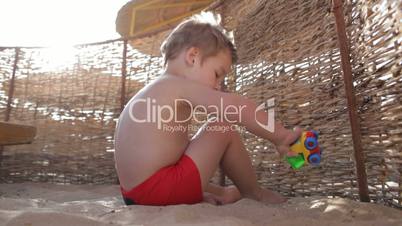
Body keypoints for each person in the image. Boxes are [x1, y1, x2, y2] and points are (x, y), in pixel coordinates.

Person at [114, 18, 302, 206]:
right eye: (217, 74)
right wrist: (280, 136)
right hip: (159, 190)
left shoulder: (152, 91)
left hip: (133, 194)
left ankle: (223, 193)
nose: (218, 86)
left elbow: (168, 156)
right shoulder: (178, 85)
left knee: (191, 146)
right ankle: (255, 193)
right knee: (222, 127)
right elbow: (237, 107)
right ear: (193, 57)